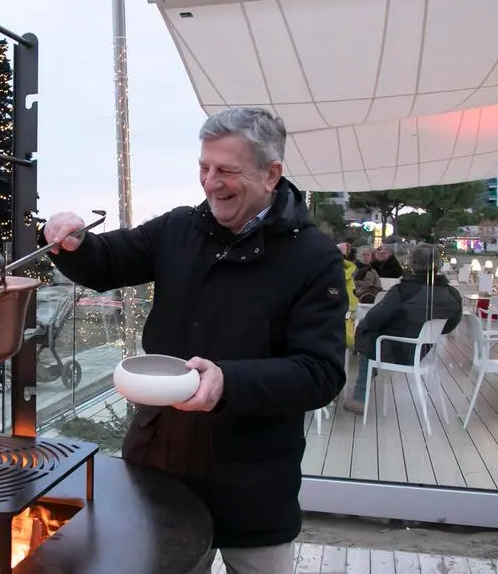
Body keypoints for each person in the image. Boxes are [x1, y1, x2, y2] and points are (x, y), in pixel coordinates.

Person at [43, 107, 347, 573]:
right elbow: (106, 262)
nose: (210, 182)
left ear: (272, 174)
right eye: (204, 168)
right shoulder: (179, 228)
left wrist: (228, 381)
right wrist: (74, 240)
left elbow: (320, 373)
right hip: (161, 464)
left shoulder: (313, 256)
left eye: (226, 170)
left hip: (254, 479)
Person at [344, 243, 463, 414]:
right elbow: (448, 326)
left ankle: (360, 397)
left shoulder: (402, 291)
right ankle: (366, 381)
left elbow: (374, 318)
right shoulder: (452, 294)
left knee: (369, 333)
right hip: (423, 352)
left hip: (396, 350)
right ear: (438, 264)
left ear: (412, 264)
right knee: (373, 335)